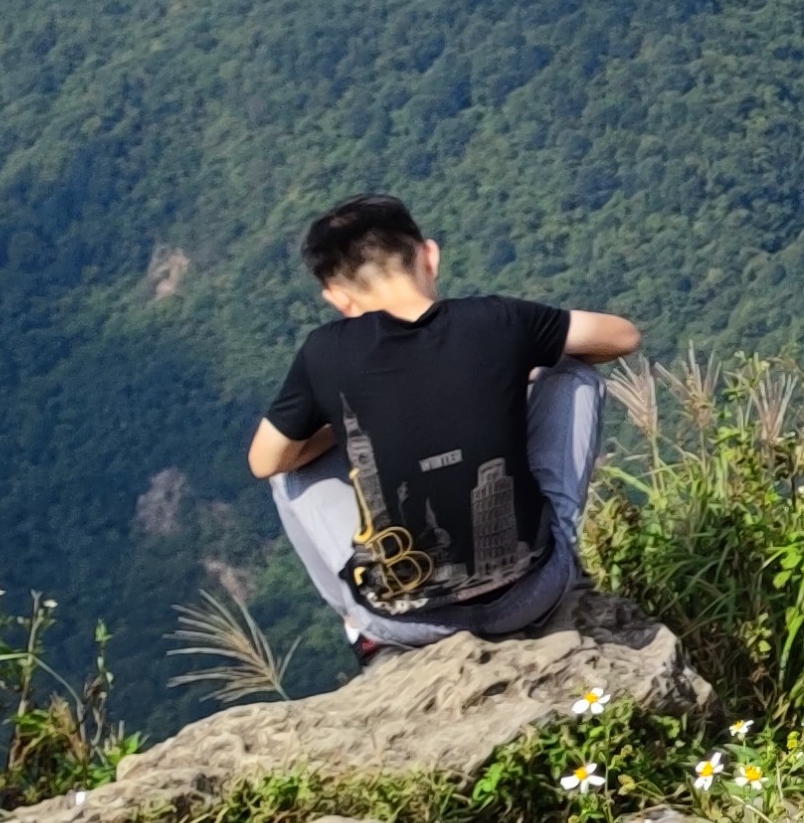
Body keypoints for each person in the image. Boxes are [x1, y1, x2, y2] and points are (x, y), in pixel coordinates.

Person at [249, 197, 640, 658]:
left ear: (338, 298)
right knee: (573, 372)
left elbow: (264, 460)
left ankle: (360, 626)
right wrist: (520, 369)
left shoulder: (324, 352)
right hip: (531, 596)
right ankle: (558, 550)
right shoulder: (498, 319)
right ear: (429, 255)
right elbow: (623, 336)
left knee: (287, 470)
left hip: (407, 622)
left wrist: (350, 415)